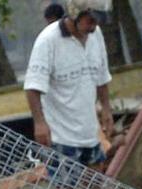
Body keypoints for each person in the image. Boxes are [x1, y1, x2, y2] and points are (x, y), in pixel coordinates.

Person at [24, 0, 114, 169]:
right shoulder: (48, 40)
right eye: (90, 21)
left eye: (97, 22)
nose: (93, 27)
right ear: (75, 14)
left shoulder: (96, 35)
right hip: (61, 137)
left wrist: (106, 108)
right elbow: (32, 87)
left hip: (90, 134)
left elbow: (102, 76)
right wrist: (39, 123)